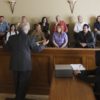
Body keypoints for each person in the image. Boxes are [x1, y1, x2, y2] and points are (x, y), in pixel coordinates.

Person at [5, 28, 49, 100]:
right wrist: (43, 45)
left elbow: (6, 48)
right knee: (23, 85)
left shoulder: (11, 37)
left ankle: (18, 97)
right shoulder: (29, 38)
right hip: (25, 65)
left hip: (14, 64)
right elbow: (36, 49)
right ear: (27, 29)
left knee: (17, 84)